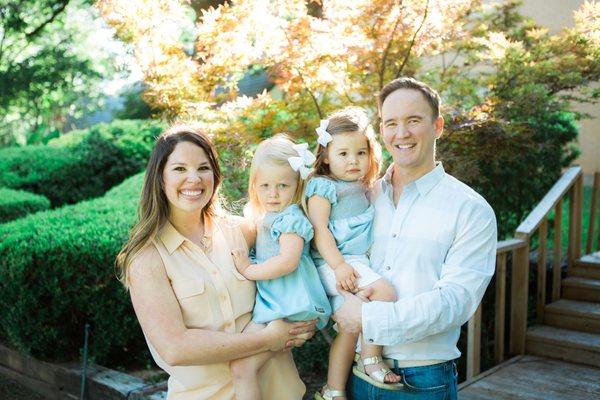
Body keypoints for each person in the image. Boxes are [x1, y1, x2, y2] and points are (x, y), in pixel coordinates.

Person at [115, 125, 316, 400]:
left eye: (203, 168)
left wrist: (304, 317)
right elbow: (175, 347)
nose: (194, 179)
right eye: (179, 169)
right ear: (159, 178)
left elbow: (297, 267)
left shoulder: (243, 231)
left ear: (215, 175)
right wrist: (268, 339)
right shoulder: (147, 258)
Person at [333, 77, 497, 400]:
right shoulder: (363, 200)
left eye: (413, 121)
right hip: (353, 374)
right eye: (391, 123)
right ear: (382, 132)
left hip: (422, 381)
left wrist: (368, 317)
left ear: (437, 126)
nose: (401, 133)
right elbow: (335, 263)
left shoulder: (470, 210)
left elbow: (454, 302)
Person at [304, 107, 401, 400]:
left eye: (360, 153)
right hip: (331, 262)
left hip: (352, 263)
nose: (353, 161)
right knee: (385, 292)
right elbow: (320, 231)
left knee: (349, 329)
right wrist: (339, 266)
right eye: (343, 154)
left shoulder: (363, 186)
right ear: (325, 156)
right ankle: (370, 358)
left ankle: (332, 389)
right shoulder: (323, 187)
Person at [229, 134, 331, 400]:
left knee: (242, 368)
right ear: (254, 185)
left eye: (283, 186)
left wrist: (248, 269)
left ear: (297, 185)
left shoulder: (291, 219)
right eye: (264, 186)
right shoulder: (270, 216)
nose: (273, 194)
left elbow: (288, 261)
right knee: (241, 365)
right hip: (277, 302)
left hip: (289, 303)